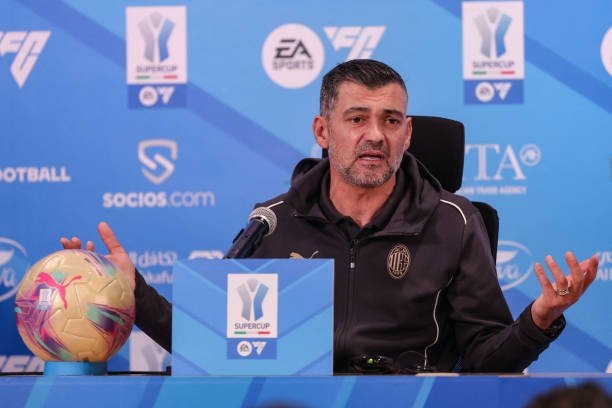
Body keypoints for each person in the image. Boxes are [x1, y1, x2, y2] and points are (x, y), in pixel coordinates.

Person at [61, 59, 599, 374]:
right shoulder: (274, 222)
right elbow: (214, 343)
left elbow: (484, 362)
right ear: (322, 131)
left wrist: (539, 318)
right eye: (357, 118)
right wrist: (134, 293)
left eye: (391, 120)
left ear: (408, 134)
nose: (375, 135)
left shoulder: (453, 221)